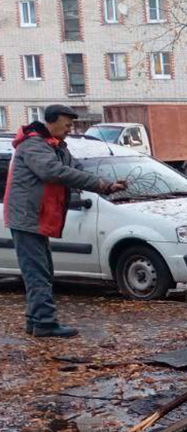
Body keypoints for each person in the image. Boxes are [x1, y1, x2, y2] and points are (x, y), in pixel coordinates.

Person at [4, 105, 126, 338]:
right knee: (37, 272)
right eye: (67, 124)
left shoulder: (56, 146)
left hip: (36, 217)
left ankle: (36, 320)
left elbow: (75, 169)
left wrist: (107, 184)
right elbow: (54, 172)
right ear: (51, 121)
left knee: (43, 270)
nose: (70, 128)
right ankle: (45, 323)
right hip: (27, 217)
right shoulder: (33, 145)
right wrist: (100, 184)